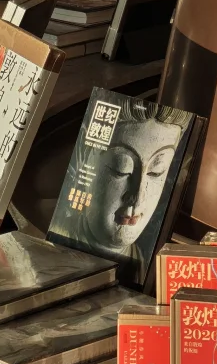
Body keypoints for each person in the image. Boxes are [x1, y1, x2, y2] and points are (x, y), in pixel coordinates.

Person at [64, 98, 186, 279]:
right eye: (122, 168)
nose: (137, 198)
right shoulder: (50, 242)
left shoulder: (149, 270)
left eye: (156, 172)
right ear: (85, 152)